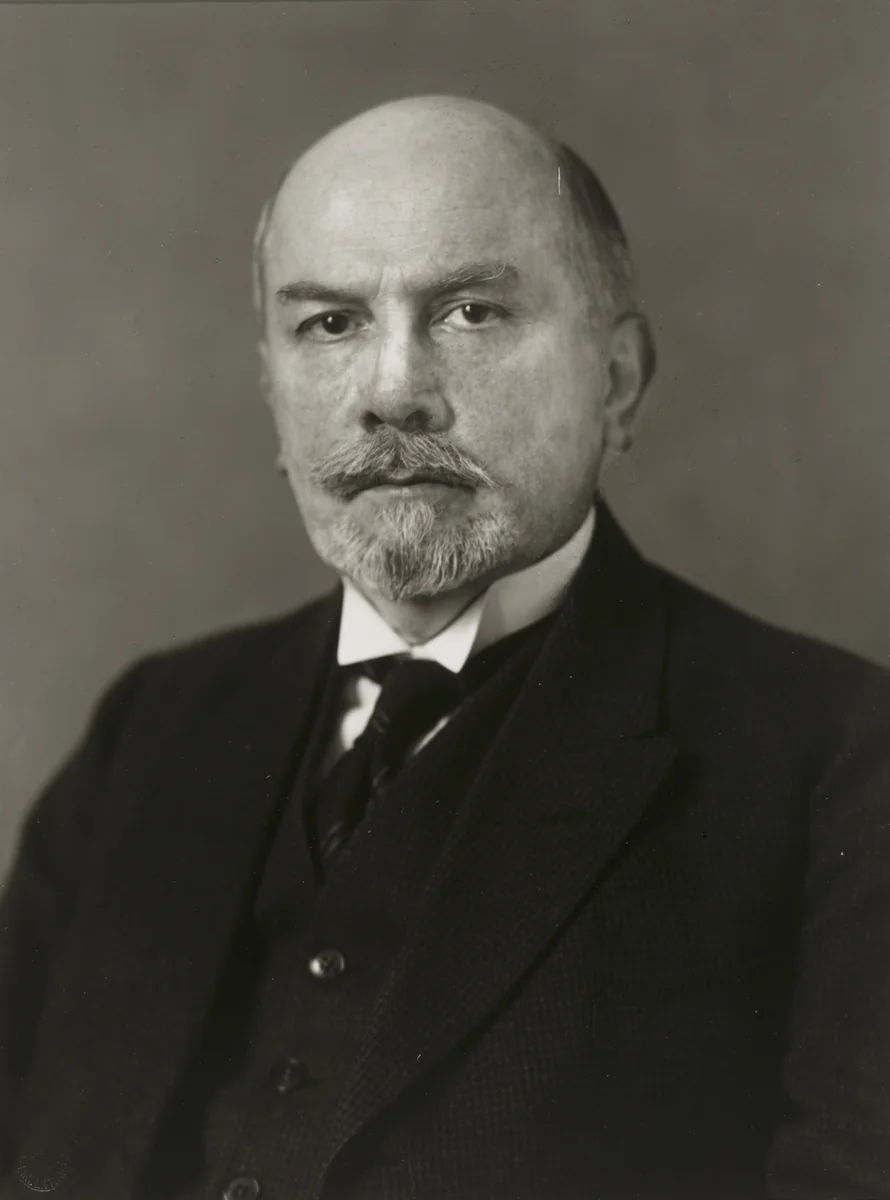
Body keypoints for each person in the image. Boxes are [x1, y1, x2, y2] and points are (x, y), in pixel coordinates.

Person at [1, 94, 888, 1200]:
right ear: (272, 393)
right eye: (330, 324)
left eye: (470, 312)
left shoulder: (841, 763)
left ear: (616, 382)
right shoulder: (153, 724)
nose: (391, 393)